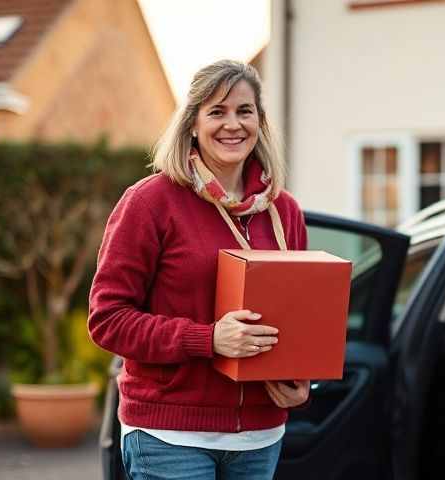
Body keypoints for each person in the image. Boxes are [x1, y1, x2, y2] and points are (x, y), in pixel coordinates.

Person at [88, 60, 310, 480]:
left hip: (259, 438)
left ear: (260, 122)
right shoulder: (151, 202)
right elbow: (108, 320)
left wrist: (299, 381)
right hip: (170, 437)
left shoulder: (285, 210)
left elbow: (297, 315)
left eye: (244, 111)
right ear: (192, 124)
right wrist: (209, 338)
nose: (233, 124)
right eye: (217, 111)